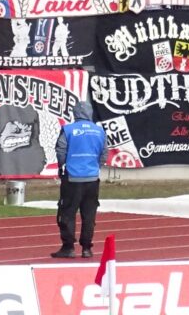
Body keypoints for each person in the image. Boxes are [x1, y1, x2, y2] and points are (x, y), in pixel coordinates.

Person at [53, 98, 106, 259]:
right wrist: (94, 166)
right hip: (92, 178)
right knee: (89, 215)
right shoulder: (99, 131)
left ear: (75, 113)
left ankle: (68, 247)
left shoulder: (68, 129)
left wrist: (64, 165)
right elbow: (104, 154)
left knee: (67, 213)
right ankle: (86, 248)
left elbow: (61, 150)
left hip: (72, 178)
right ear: (90, 113)